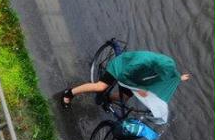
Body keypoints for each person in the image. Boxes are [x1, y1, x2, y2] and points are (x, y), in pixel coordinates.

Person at [61, 52, 190, 110]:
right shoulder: (141, 62)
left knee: (124, 98)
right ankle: (69, 93)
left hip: (134, 77)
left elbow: (171, 73)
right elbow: (123, 77)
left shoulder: (166, 64)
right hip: (119, 68)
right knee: (100, 87)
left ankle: (107, 98)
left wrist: (178, 77)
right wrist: (139, 89)